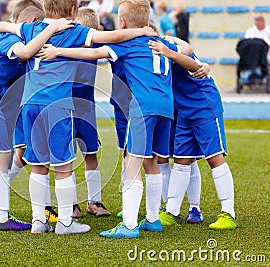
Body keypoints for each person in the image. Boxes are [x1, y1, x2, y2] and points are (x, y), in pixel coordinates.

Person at [0, 0, 159, 235]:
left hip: (30, 102)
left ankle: (38, 222)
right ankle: (65, 222)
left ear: (45, 9)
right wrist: (142, 31)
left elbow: (4, 25)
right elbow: (113, 37)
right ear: (73, 11)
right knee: (63, 167)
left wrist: (42, 29)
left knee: (38, 166)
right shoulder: (75, 31)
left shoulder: (31, 28)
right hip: (58, 104)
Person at [37, 0, 195, 238]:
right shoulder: (162, 43)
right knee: (152, 161)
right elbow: (187, 50)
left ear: (122, 23)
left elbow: (93, 53)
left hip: (143, 108)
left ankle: (129, 225)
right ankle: (152, 219)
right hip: (166, 107)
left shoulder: (128, 43)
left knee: (132, 162)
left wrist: (58, 51)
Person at [0, 5, 74, 231]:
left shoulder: (2, 36)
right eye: (40, 24)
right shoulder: (11, 38)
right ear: (33, 21)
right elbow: (26, 52)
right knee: (1, 155)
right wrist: (53, 29)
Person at [150, 37, 238, 230]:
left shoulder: (162, 44)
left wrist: (170, 52)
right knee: (182, 160)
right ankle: (172, 211)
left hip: (203, 104)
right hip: (183, 110)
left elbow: (189, 54)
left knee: (214, 158)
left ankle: (229, 212)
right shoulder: (140, 49)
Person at [70, 7, 111, 218]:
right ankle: (71, 204)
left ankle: (94, 202)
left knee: (90, 154)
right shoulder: (67, 43)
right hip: (65, 108)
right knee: (66, 157)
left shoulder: (97, 44)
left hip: (86, 108)